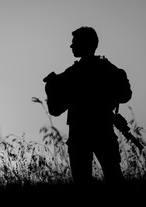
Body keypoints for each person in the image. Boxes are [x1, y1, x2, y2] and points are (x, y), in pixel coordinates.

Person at [43, 26, 132, 186]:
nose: (71, 46)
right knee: (113, 178)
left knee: (86, 182)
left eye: (74, 42)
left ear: (85, 44)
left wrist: (51, 88)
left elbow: (55, 110)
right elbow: (125, 94)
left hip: (82, 134)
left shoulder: (73, 74)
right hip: (100, 131)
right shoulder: (104, 69)